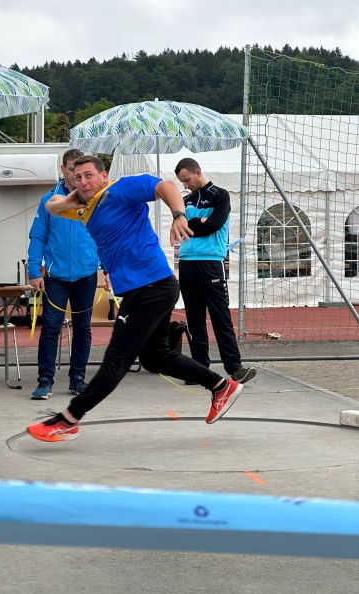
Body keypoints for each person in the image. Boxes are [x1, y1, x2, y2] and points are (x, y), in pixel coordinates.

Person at [26, 155, 244, 443]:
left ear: (104, 176)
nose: (83, 181)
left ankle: (68, 420)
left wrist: (179, 215)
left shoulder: (121, 189)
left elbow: (165, 187)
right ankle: (221, 386)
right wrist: (72, 198)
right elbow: (50, 206)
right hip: (148, 289)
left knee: (115, 360)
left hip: (150, 287)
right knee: (156, 358)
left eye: (89, 175)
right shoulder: (84, 208)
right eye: (78, 177)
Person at [174, 157, 256, 385]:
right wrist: (198, 222)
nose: (185, 186)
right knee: (194, 319)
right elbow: (181, 228)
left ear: (198, 172)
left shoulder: (221, 195)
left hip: (210, 262)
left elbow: (214, 224)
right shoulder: (186, 200)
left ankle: (235, 368)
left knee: (220, 316)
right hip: (187, 262)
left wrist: (195, 224)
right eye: (182, 182)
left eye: (187, 180)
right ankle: (199, 369)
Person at [28, 149, 99, 399]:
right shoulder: (50, 200)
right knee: (50, 327)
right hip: (56, 275)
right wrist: (34, 269)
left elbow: (105, 234)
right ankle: (45, 381)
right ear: (63, 169)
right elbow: (38, 236)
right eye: (72, 171)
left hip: (86, 274)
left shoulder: (94, 199)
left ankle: (77, 379)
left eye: (82, 173)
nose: (77, 177)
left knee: (83, 328)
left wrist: (109, 267)